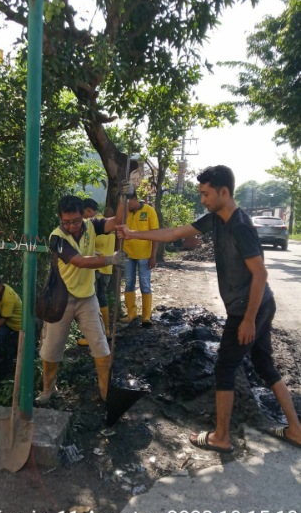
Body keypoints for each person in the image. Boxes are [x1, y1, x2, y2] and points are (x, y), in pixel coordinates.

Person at [116, 165, 301, 452]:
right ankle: (296, 430)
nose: (202, 198)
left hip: (249, 307)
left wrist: (249, 319)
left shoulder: (240, 225)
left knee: (225, 368)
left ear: (224, 192)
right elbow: (175, 232)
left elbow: (260, 274)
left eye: (205, 194)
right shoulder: (216, 218)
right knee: (264, 365)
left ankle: (222, 437)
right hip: (261, 303)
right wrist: (133, 234)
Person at [37, 189, 131, 404]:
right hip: (61, 299)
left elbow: (118, 220)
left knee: (101, 347)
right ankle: (48, 389)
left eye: (76, 221)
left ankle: (106, 393)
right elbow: (78, 261)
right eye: (66, 221)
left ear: (83, 216)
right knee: (51, 351)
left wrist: (124, 198)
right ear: (60, 218)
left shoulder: (92, 225)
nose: (71, 226)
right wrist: (110, 259)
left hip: (88, 298)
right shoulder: (56, 237)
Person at [76, 199, 116, 346]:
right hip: (107, 267)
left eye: (83, 212)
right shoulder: (109, 223)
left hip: (95, 265)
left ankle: (92, 335)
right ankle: (106, 331)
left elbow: (87, 245)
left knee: (91, 301)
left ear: (88, 210)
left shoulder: (93, 224)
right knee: (102, 298)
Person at [121, 190, 159, 326]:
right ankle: (131, 314)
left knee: (145, 284)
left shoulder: (149, 211)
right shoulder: (125, 213)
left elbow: (155, 235)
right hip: (128, 254)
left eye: (127, 202)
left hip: (144, 255)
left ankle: (146, 316)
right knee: (129, 283)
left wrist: (153, 256)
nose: (126, 205)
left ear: (134, 199)